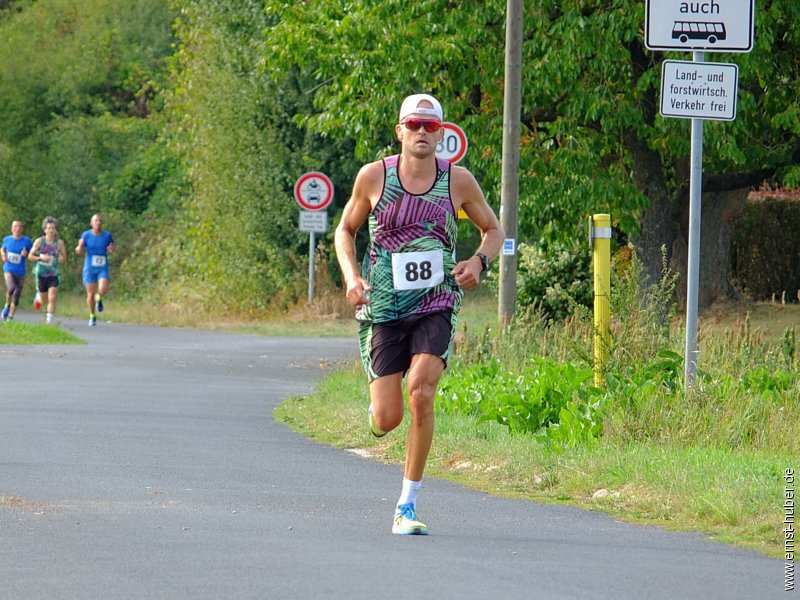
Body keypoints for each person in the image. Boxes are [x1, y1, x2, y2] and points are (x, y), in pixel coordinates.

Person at [334, 93, 504, 535]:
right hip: (383, 308)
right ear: (400, 131)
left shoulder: (458, 181)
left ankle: (406, 505)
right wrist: (353, 278)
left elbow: (494, 230)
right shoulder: (374, 177)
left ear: (442, 133)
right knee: (389, 417)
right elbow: (345, 230)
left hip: (436, 302)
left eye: (430, 127)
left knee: (422, 392)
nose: (422, 133)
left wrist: (478, 263)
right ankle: (377, 412)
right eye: (414, 125)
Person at [75, 213, 116, 326]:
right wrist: (79, 247)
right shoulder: (86, 235)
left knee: (103, 287)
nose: (98, 222)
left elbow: (112, 249)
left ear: (102, 223)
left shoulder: (107, 235)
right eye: (96, 220)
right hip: (90, 267)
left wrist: (111, 249)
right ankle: (92, 315)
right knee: (90, 293)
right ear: (91, 223)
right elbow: (79, 251)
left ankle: (99, 298)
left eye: (100, 221)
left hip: (102, 266)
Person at [29, 216, 67, 325]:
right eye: (49, 228)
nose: (51, 230)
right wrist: (41, 258)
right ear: (45, 229)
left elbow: (64, 258)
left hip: (54, 273)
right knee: (44, 300)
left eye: (53, 228)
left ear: (56, 230)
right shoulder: (39, 241)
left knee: (53, 295)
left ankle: (49, 320)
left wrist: (60, 259)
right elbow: (30, 256)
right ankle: (38, 298)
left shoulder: (59, 243)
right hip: (41, 273)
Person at [1, 220, 33, 322]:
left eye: (19, 227)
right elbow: (2, 249)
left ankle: (10, 317)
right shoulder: (6, 239)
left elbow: (32, 254)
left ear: (22, 229)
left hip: (20, 271)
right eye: (15, 226)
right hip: (8, 268)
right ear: (12, 228)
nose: (17, 229)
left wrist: (26, 253)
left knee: (16, 295)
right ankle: (7, 305)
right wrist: (3, 255)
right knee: (11, 288)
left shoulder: (27, 241)